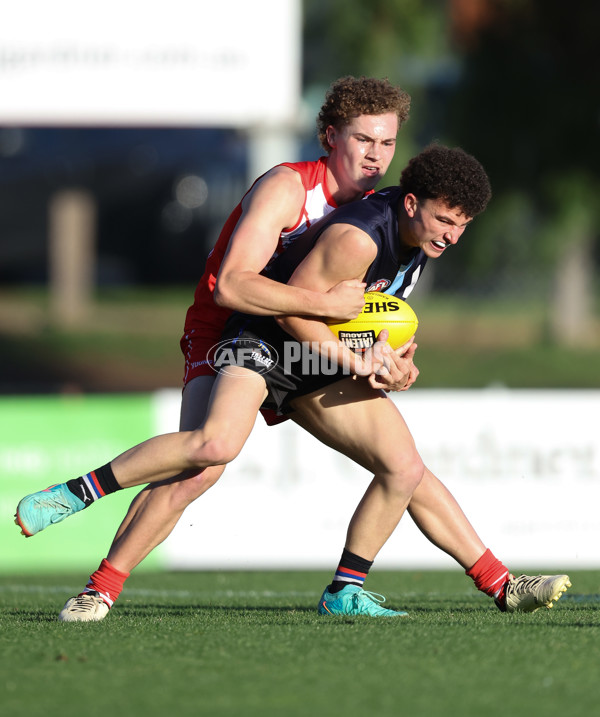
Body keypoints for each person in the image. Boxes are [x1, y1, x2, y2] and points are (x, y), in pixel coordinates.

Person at [16, 142, 570, 620]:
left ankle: (474, 586)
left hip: (314, 359)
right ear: (411, 204)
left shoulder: (417, 239)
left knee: (403, 467)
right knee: (212, 451)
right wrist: (355, 362)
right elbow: (294, 312)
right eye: (445, 222)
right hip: (261, 340)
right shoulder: (359, 237)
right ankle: (77, 505)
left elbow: (368, 319)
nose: (452, 236)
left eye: (462, 226)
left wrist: (394, 358)